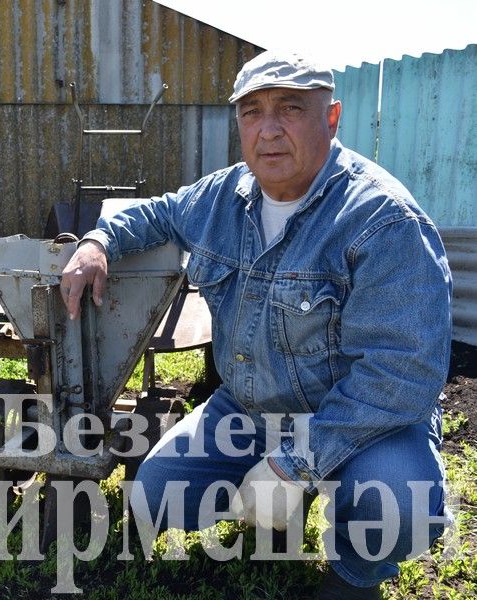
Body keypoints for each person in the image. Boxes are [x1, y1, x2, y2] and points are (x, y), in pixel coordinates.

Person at [60, 51, 452, 599]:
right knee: (154, 497)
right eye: (252, 112)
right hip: (249, 411)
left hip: (365, 422)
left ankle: (353, 577)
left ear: (331, 118)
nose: (268, 130)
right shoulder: (223, 197)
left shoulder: (383, 222)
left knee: (391, 499)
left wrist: (295, 464)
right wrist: (98, 241)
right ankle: (271, 502)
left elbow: (402, 375)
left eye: (290, 109)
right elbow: (160, 212)